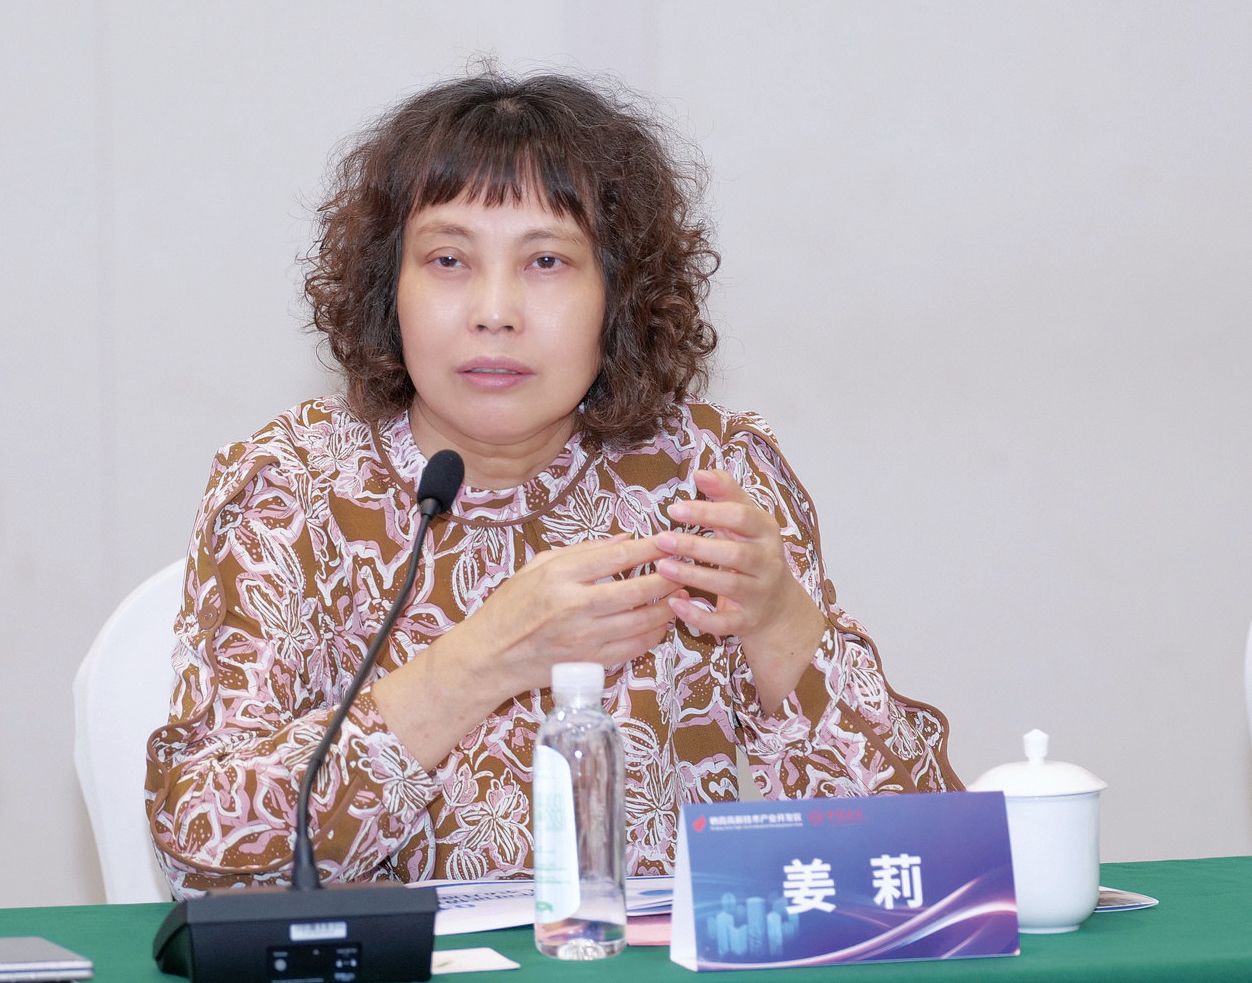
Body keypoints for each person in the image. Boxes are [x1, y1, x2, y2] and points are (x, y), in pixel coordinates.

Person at [145, 70, 960, 898]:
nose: (495, 310)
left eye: (545, 260)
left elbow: (923, 865)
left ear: (618, 294)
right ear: (389, 290)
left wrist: (780, 621)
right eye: (448, 259)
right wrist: (482, 660)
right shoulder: (293, 488)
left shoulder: (707, 479)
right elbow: (209, 854)